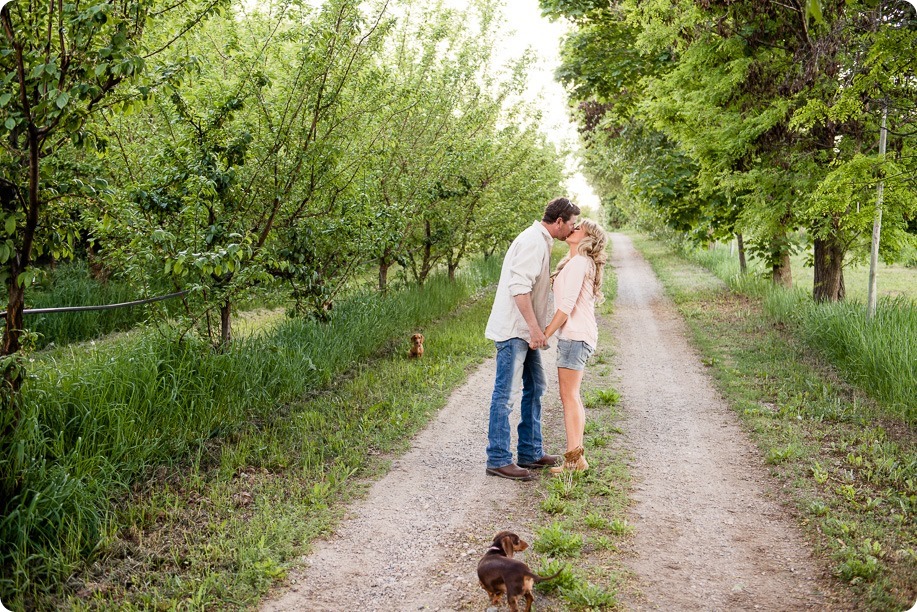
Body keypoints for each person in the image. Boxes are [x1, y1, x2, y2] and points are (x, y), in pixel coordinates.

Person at [484, 197, 580, 481]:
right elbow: (518, 288)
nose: (573, 230)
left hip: (527, 331)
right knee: (506, 395)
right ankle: (498, 458)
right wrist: (535, 329)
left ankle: (530, 451)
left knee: (537, 386)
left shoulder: (543, 241)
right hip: (515, 330)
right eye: (571, 224)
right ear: (559, 221)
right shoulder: (532, 242)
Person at [543, 218, 608, 474]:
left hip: (575, 336)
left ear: (587, 238)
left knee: (569, 397)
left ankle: (573, 461)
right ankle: (576, 458)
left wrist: (545, 334)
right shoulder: (574, 262)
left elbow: (566, 306)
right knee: (572, 397)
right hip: (578, 336)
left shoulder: (580, 263)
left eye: (580, 228)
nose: (574, 228)